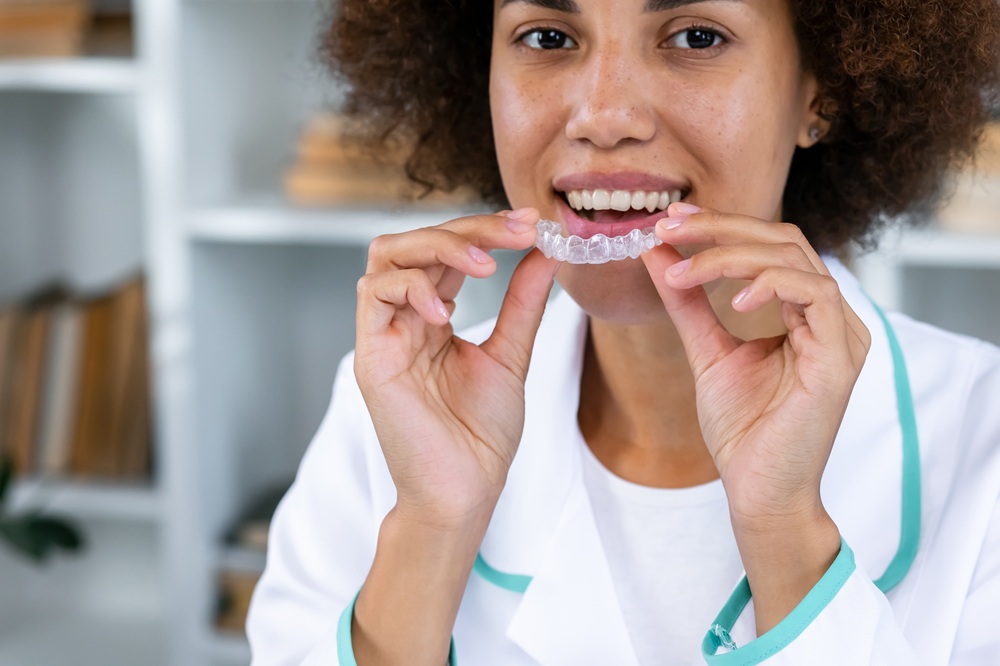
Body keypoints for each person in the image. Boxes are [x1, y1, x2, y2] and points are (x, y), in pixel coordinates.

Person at [246, 1, 1000, 664]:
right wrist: (431, 531)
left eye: (696, 35)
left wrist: (784, 532)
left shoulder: (983, 440)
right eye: (547, 37)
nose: (603, 116)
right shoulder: (386, 415)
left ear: (820, 90)